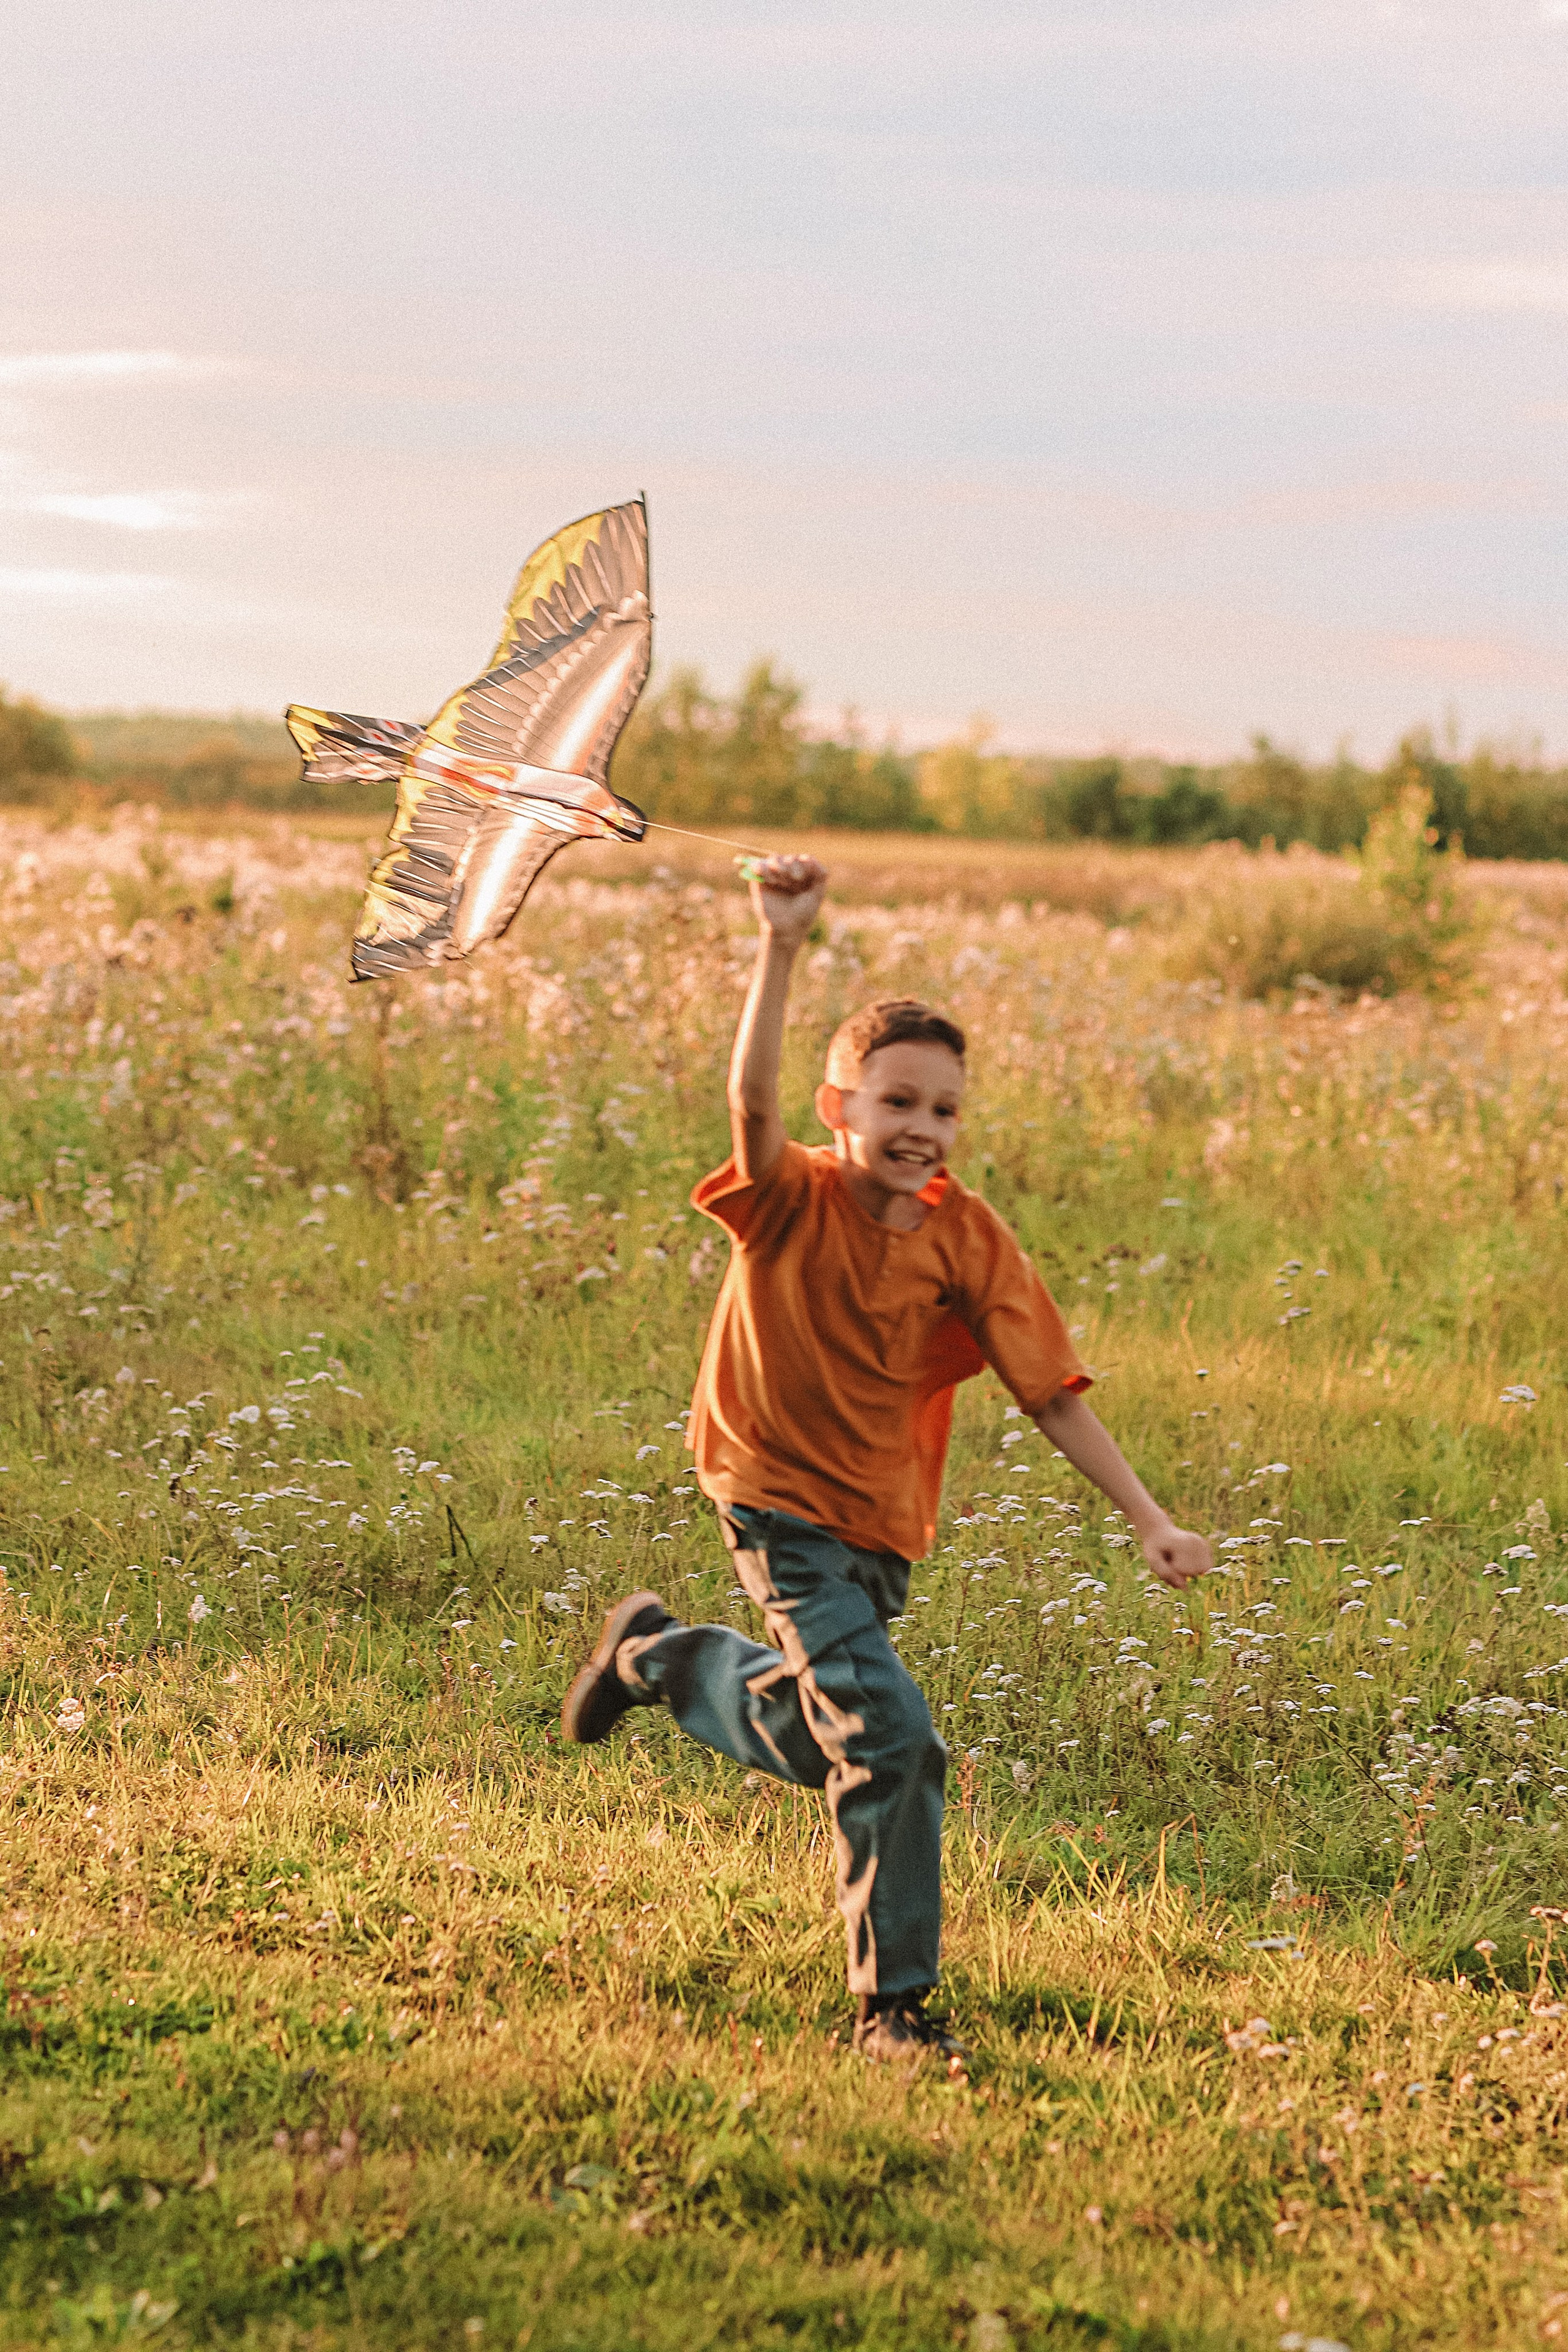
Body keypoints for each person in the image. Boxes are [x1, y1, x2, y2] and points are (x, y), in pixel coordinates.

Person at [562, 853, 1212, 2060]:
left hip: (880, 1525)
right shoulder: (784, 1195)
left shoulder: (966, 1237)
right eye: (895, 1101)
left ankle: (655, 1659)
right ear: (841, 1108)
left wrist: (1146, 1517)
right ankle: (891, 2009)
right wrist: (779, 945)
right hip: (770, 1497)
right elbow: (746, 1106)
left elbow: (1049, 1394)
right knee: (896, 1742)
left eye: (942, 1109)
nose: (919, 1127)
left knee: (837, 1741)